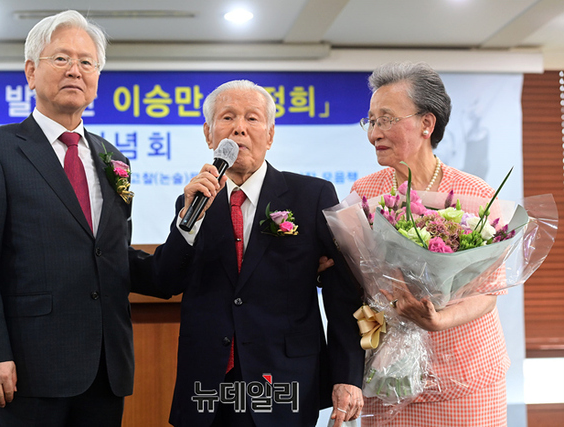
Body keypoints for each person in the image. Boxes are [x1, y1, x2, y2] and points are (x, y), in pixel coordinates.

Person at [0, 10, 193, 426]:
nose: (75, 70)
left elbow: (111, 255)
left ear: (97, 77)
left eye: (87, 62)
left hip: (105, 368)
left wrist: (187, 227)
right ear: (31, 72)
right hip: (27, 368)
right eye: (61, 58)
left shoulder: (113, 159)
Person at [163, 79, 365, 427]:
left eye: (252, 118)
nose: (239, 128)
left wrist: (346, 375)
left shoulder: (311, 196)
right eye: (227, 117)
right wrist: (186, 224)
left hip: (284, 380)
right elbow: (166, 279)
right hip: (208, 384)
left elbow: (342, 293)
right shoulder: (193, 202)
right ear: (209, 134)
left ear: (270, 135)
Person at [352, 62, 510, 426]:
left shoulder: (474, 194)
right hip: (390, 373)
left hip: (464, 377)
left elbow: (489, 292)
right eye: (371, 121)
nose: (374, 133)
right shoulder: (364, 192)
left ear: (427, 123)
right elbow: (362, 288)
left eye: (386, 119)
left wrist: (439, 320)